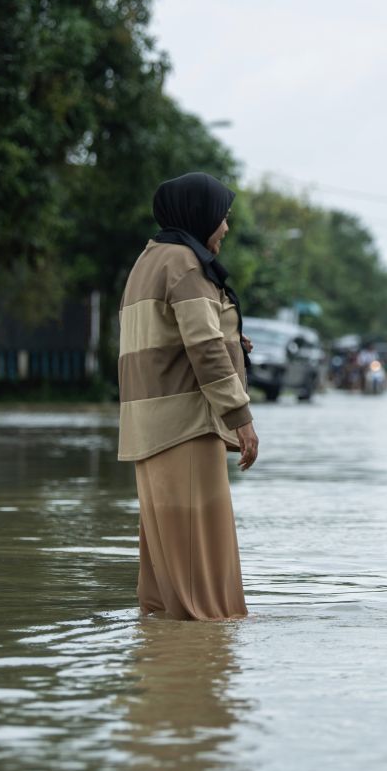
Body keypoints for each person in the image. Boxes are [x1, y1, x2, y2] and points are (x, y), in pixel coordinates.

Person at [116, 171, 259, 620]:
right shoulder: (183, 263)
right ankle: (202, 673)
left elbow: (172, 339)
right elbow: (204, 349)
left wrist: (235, 344)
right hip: (185, 429)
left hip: (150, 431)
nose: (226, 228)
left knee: (164, 584)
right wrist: (241, 418)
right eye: (223, 217)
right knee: (205, 596)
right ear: (199, 215)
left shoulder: (149, 260)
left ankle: (166, 667)